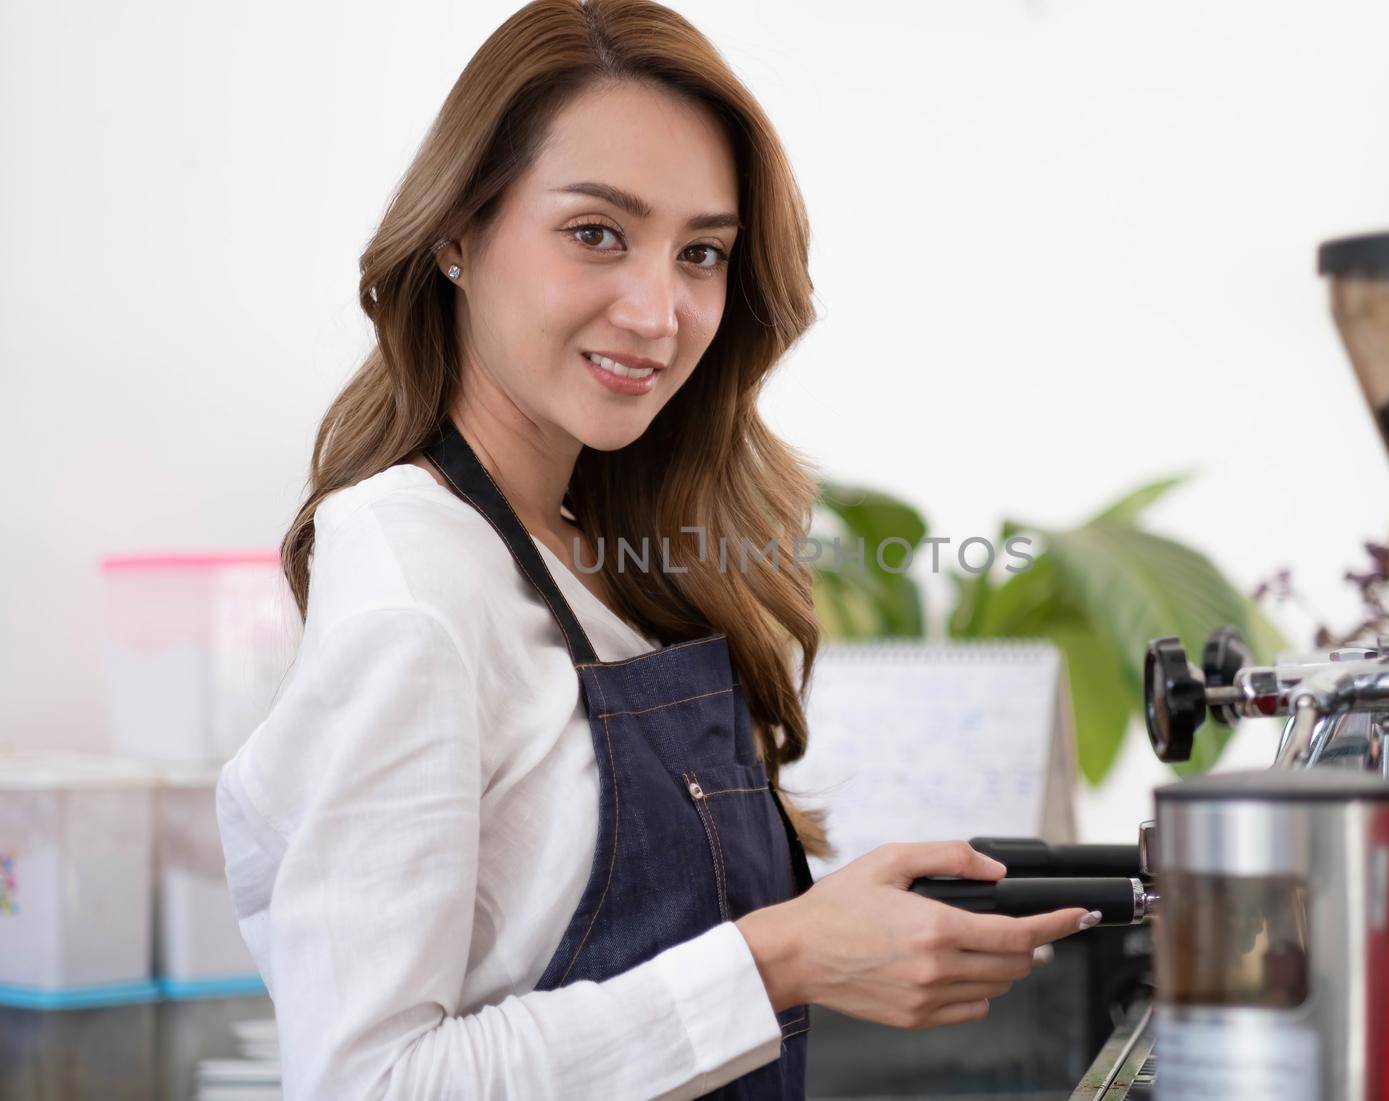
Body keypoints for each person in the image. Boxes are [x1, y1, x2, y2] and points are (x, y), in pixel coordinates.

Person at [215, 2, 1097, 1097]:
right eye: (596, 233)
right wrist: (784, 957)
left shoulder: (612, 556)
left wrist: (847, 929)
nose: (660, 310)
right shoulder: (414, 578)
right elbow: (373, 1081)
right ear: (456, 233)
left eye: (702, 253)